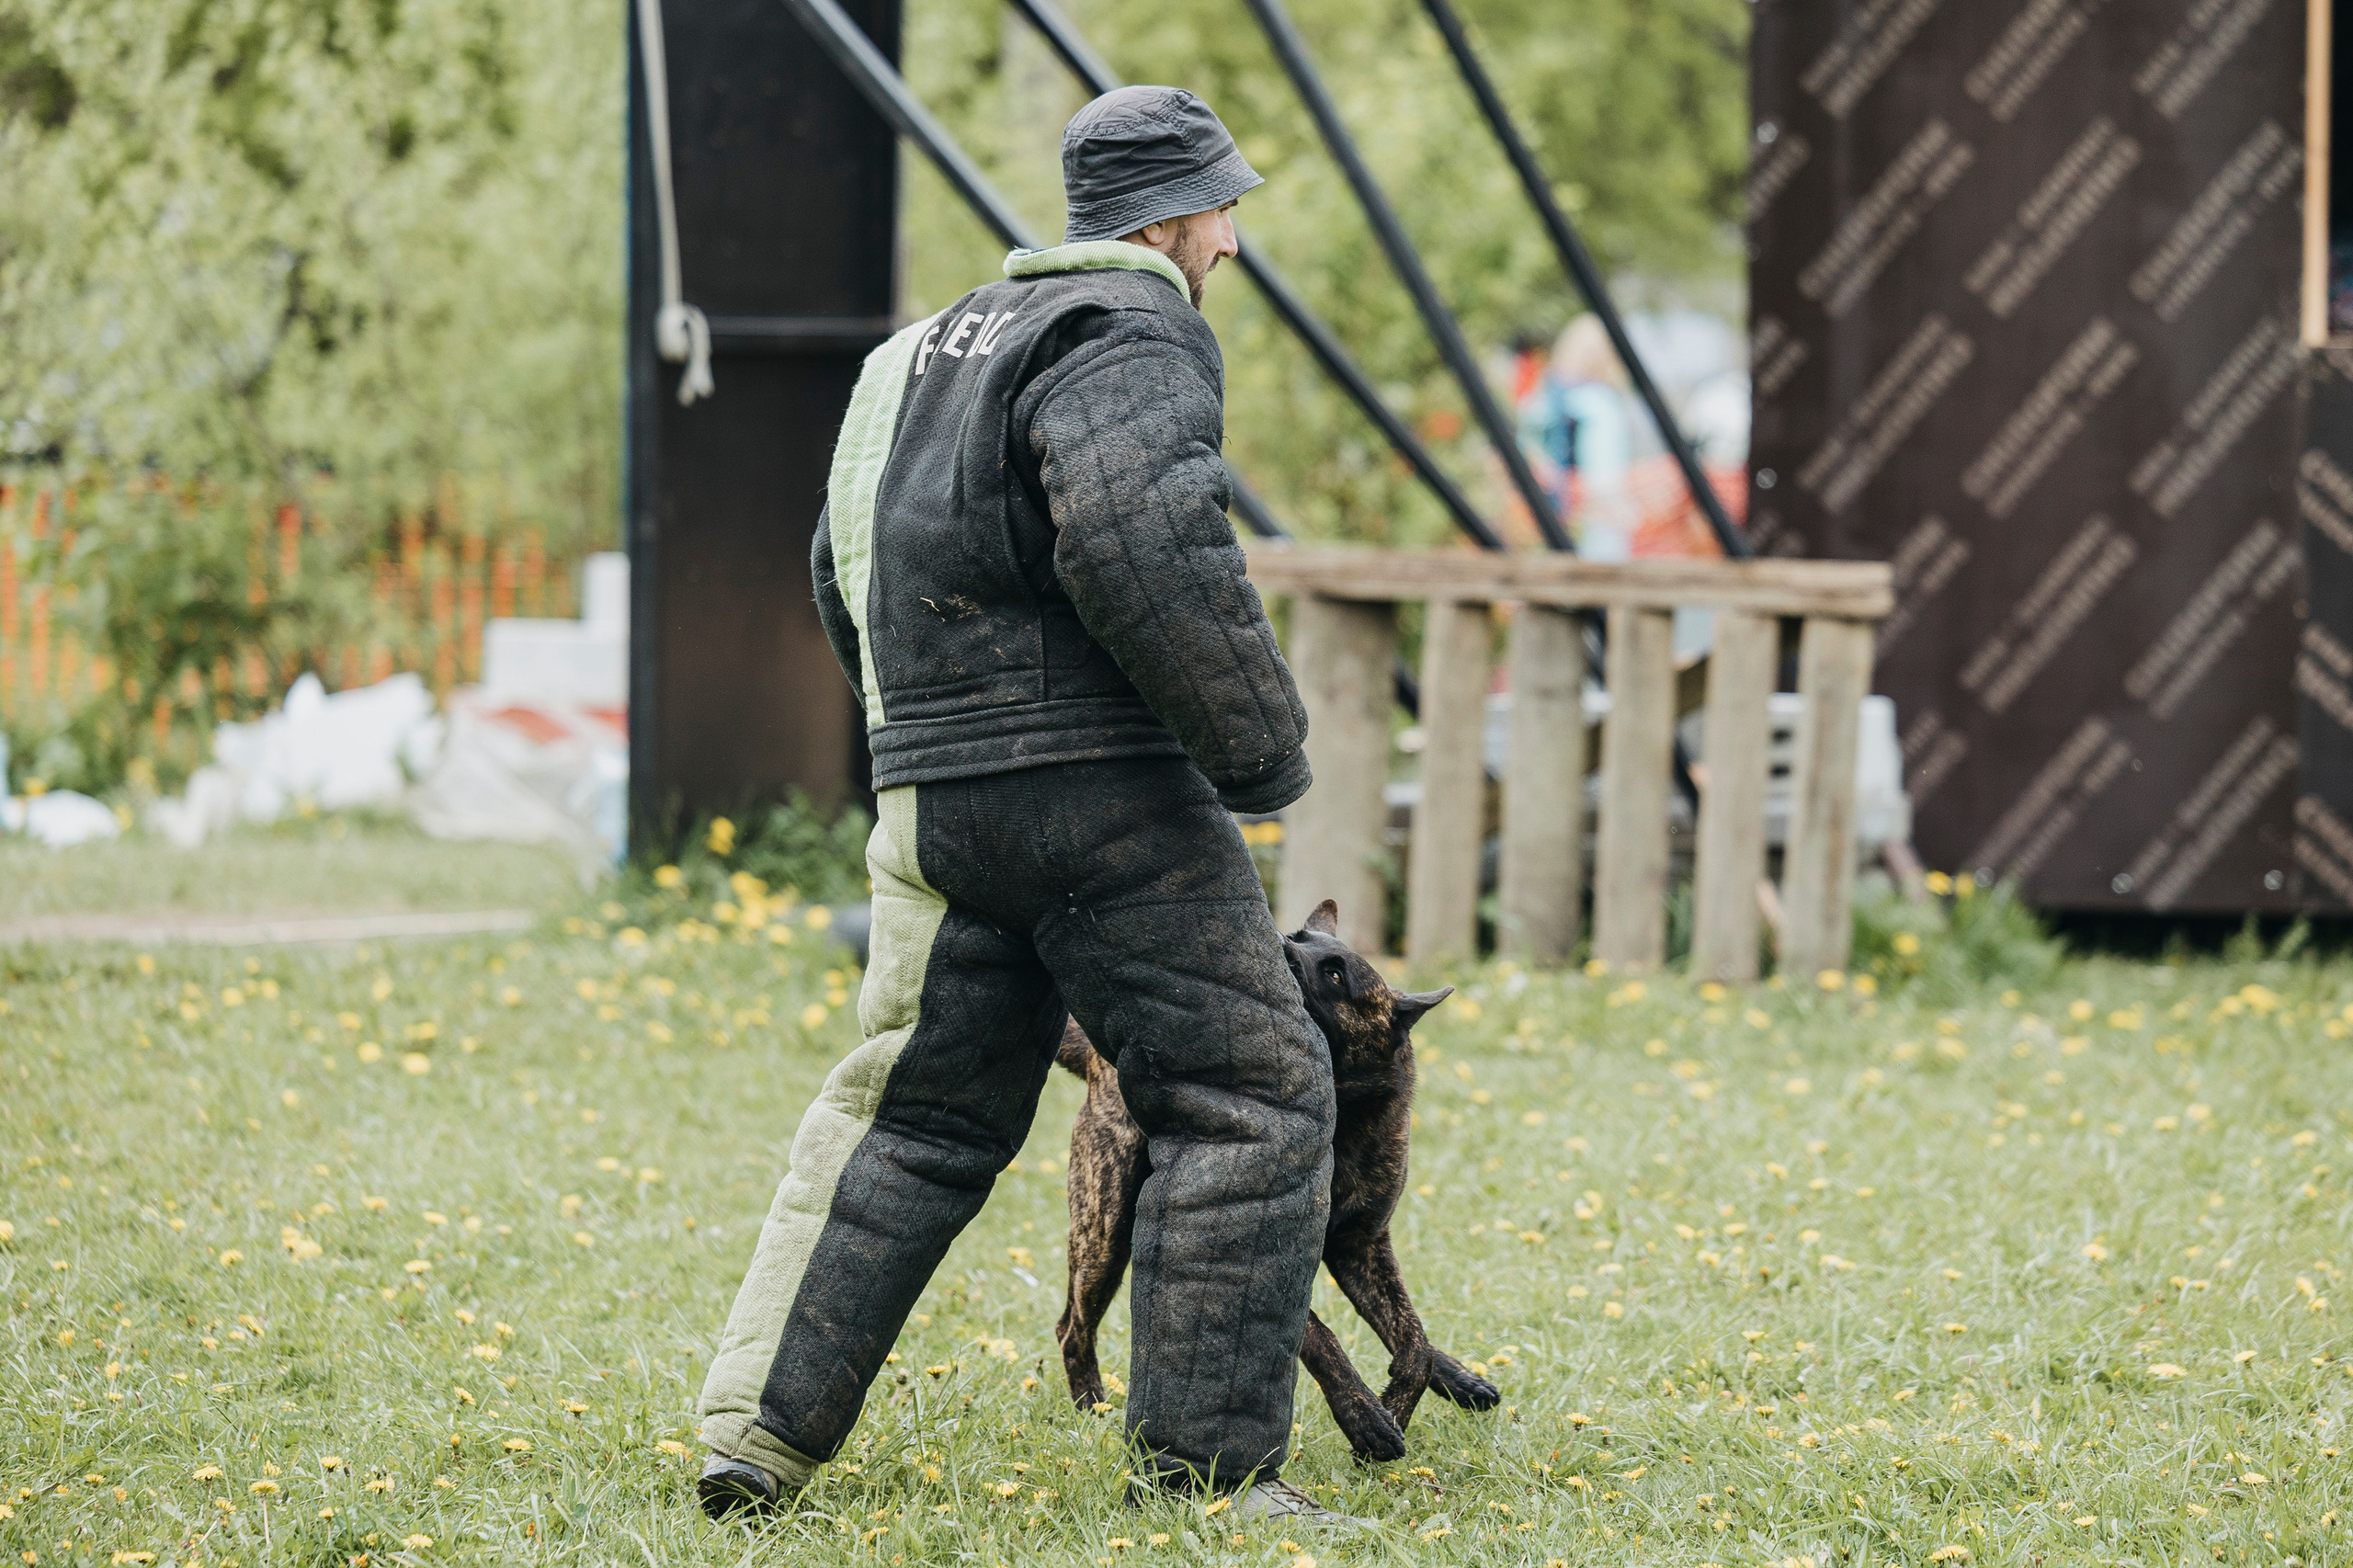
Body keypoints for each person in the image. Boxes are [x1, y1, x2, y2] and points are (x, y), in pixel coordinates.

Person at [694, 85, 1351, 1529]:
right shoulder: (1129, 327)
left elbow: (836, 570)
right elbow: (1140, 536)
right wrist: (1260, 756)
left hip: (931, 802)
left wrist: (925, 740)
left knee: (910, 1116)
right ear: (1171, 219)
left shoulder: (908, 359)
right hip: (1104, 805)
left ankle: (755, 1432)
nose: (1232, 243)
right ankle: (1213, 1473)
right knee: (1253, 1091)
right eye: (1223, 212)